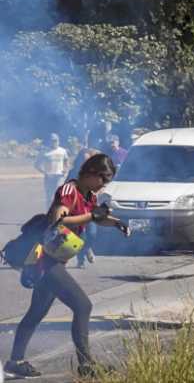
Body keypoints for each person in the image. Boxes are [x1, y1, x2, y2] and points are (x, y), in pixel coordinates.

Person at [5, 154, 129, 379]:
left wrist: (117, 223)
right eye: (103, 180)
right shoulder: (69, 190)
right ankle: (86, 365)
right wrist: (92, 216)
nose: (104, 186)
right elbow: (58, 220)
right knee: (83, 307)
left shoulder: (88, 195)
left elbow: (96, 217)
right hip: (45, 259)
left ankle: (15, 361)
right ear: (91, 173)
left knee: (37, 312)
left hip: (54, 259)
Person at [66, 148, 101, 269]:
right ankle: (80, 261)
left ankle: (87, 249)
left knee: (92, 233)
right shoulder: (73, 172)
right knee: (81, 236)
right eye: (84, 160)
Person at [35, 133, 69, 210]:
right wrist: (44, 172)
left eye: (56, 140)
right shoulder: (44, 152)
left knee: (59, 194)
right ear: (49, 141)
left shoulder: (62, 151)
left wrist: (65, 169)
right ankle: (49, 213)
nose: (54, 142)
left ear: (58, 141)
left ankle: (58, 212)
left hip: (59, 176)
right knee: (49, 197)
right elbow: (37, 164)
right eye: (52, 141)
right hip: (49, 176)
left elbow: (66, 160)